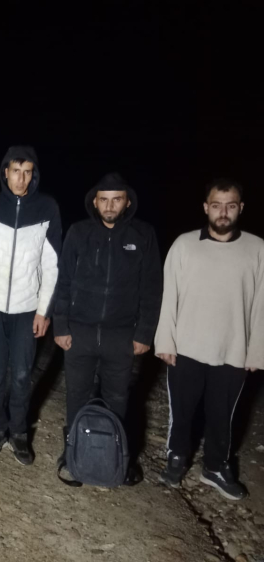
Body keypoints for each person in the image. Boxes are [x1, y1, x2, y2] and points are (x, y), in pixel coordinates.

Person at [155, 179, 264, 500]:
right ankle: (177, 458)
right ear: (206, 207)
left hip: (233, 349)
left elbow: (261, 305)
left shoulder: (257, 249)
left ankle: (215, 467)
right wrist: (165, 340)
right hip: (186, 347)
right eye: (217, 205)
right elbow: (169, 295)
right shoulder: (184, 244)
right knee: (182, 411)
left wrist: (256, 351)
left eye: (230, 206)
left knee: (222, 415)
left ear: (240, 208)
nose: (223, 212)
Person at [53, 173, 162, 484]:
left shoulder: (143, 235)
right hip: (80, 332)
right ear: (95, 202)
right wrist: (60, 325)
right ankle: (74, 454)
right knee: (76, 396)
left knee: (118, 399)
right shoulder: (79, 232)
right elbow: (64, 282)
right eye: (104, 200)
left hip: (121, 335)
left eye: (117, 199)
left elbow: (152, 288)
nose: (110, 206)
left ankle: (117, 458)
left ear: (127, 202)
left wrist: (144, 333)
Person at [0, 145, 61, 464]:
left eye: (27, 172)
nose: (21, 179)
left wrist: (43, 311)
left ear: (33, 174)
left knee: (22, 374)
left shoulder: (47, 208)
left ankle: (19, 433)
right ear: (5, 172)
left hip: (27, 309)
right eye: (16, 171)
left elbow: (51, 265)